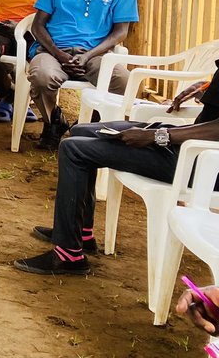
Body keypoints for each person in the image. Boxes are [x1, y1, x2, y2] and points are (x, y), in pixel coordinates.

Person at [12, 110, 219, 276]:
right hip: (189, 143)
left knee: (73, 150)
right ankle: (81, 235)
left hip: (200, 163)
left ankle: (68, 255)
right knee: (81, 131)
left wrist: (157, 136)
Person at [29, 0, 138, 149]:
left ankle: (89, 125)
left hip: (94, 54)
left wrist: (87, 56)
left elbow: (120, 32)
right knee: (41, 76)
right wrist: (59, 54)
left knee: (123, 81)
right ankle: (54, 122)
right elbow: (37, 26)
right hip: (53, 50)